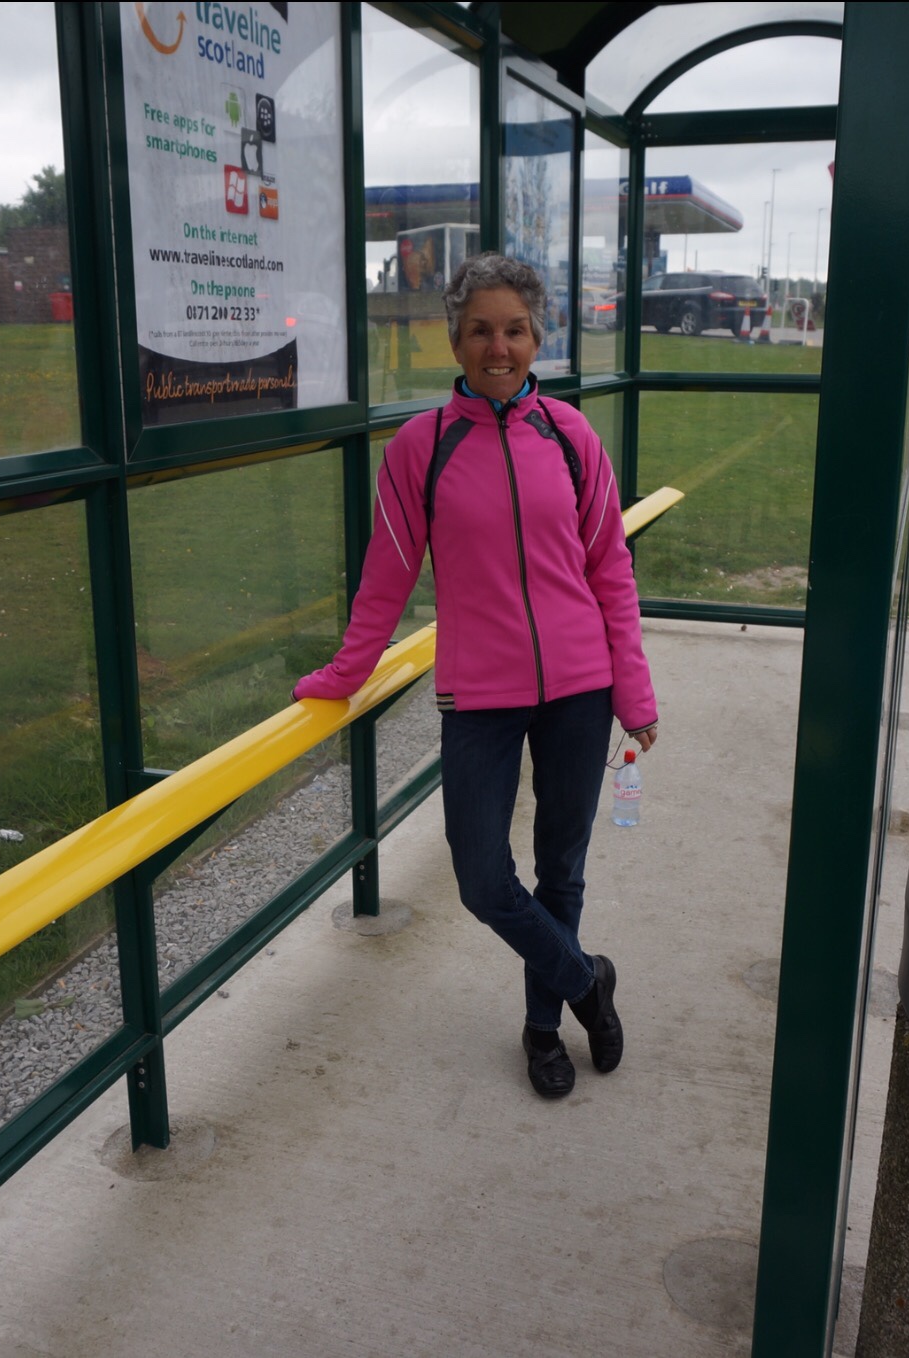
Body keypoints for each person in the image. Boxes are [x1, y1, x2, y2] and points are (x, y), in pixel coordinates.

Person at [293, 253, 659, 1099]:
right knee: (482, 879)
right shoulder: (421, 448)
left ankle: (542, 1032)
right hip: (480, 696)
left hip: (580, 689)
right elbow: (386, 576)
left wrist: (632, 693)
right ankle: (586, 982)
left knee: (560, 871)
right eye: (481, 331)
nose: (499, 348)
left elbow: (609, 570)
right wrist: (345, 673)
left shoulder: (569, 436)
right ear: (454, 340)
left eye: (515, 331)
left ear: (537, 337)